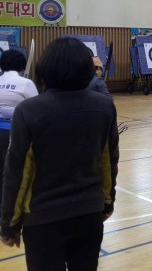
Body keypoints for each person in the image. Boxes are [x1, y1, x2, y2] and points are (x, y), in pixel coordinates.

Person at [0, 37, 119, 271]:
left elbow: (17, 173)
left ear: (46, 68)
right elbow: (108, 162)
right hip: (89, 214)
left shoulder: (29, 110)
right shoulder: (104, 106)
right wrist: (107, 203)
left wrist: (9, 223)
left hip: (43, 219)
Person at [0, 49, 38, 205]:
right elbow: (36, 110)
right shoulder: (26, 83)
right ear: (22, 68)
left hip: (9, 131)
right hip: (14, 134)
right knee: (14, 171)